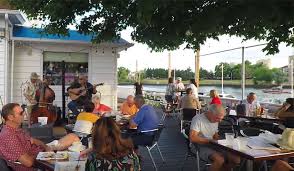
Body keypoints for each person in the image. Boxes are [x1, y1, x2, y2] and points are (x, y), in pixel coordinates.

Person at [0, 103, 80, 171]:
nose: (24, 115)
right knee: (75, 164)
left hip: (42, 153)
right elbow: (28, 163)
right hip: (38, 163)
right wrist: (44, 154)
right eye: (21, 113)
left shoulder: (17, 129)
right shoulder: (9, 137)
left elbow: (33, 140)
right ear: (10, 117)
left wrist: (46, 147)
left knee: (73, 137)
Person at [189, 104, 240, 171]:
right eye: (218, 118)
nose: (219, 121)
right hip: (199, 145)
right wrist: (209, 141)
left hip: (212, 144)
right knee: (219, 160)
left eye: (221, 119)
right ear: (210, 113)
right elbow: (192, 138)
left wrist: (223, 141)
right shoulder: (198, 119)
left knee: (236, 159)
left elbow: (215, 136)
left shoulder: (214, 119)